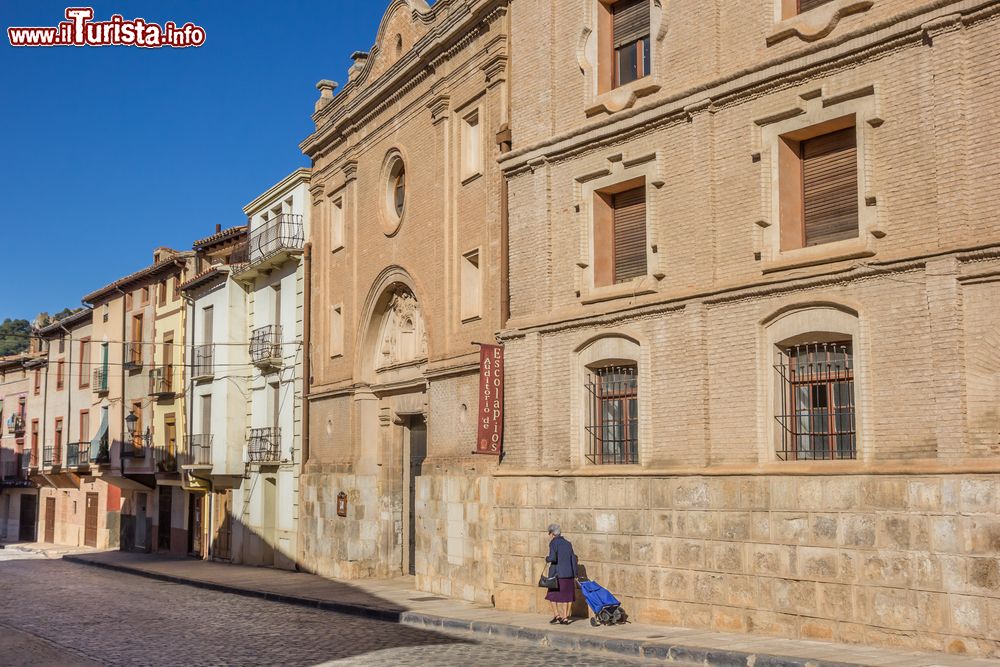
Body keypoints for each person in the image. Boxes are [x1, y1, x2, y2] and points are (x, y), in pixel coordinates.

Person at [544, 524, 577, 624]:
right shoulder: (568, 543)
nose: (549, 535)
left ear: (553, 533)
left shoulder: (553, 543)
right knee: (567, 596)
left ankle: (557, 615)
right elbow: (573, 559)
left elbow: (553, 558)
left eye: (549, 533)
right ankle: (565, 617)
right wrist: (575, 573)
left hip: (557, 575)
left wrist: (547, 558)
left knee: (552, 595)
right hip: (569, 574)